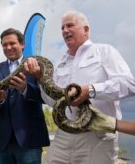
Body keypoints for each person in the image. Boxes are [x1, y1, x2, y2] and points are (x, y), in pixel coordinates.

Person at [24, 10, 135, 164]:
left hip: (97, 135)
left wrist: (89, 90)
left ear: (86, 29)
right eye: (62, 28)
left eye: (70, 25)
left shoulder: (104, 51)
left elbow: (129, 85)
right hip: (64, 134)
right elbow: (52, 101)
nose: (65, 30)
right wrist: (39, 78)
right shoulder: (59, 63)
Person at [0, 28, 50, 164]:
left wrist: (26, 89)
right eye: (4, 45)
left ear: (22, 44)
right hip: (0, 140)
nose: (8, 47)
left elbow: (47, 96)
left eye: (12, 43)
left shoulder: (37, 66)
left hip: (29, 138)